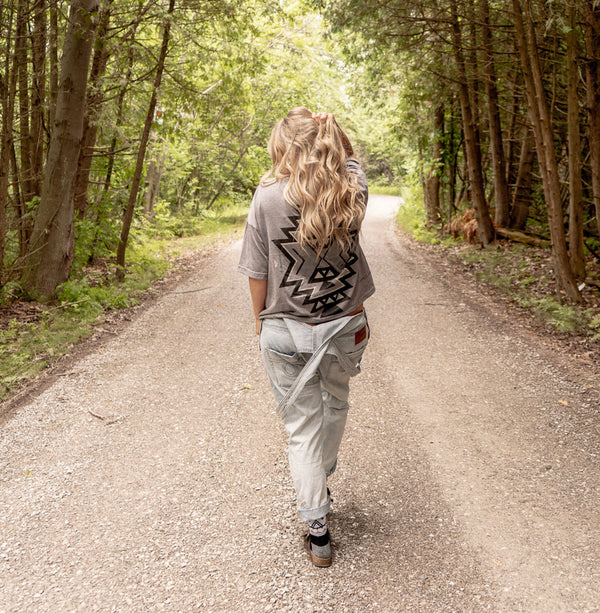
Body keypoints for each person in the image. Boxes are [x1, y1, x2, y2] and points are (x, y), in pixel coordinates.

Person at [237, 107, 375, 567]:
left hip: (284, 329)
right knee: (335, 405)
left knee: (301, 429)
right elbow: (351, 158)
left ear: (285, 149)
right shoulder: (352, 189)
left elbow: (257, 270)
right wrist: (333, 127)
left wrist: (260, 321)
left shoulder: (267, 196)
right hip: (344, 326)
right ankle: (320, 477)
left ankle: (317, 530)